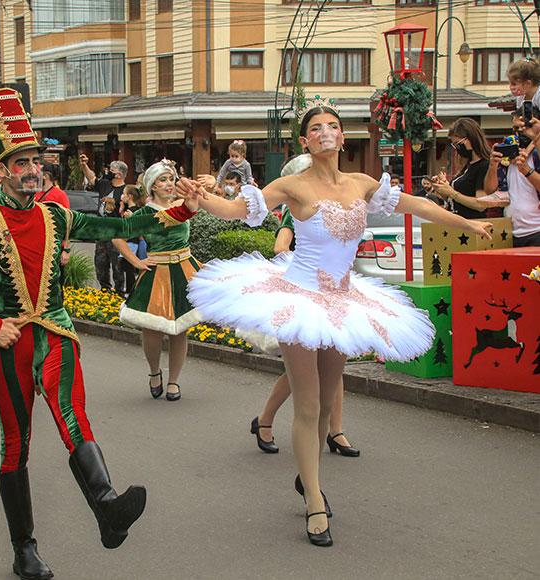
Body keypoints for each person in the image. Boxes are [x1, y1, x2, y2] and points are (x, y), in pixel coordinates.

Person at [180, 100, 493, 547]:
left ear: (343, 137)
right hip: (300, 298)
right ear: (306, 141)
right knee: (308, 406)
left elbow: (418, 204)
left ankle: (307, 475)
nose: (326, 131)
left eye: (333, 125)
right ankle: (313, 499)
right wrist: (201, 199)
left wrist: (465, 220)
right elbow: (236, 210)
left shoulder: (363, 184)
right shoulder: (292, 185)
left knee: (327, 405)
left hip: (344, 302)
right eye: (316, 127)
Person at [0, 87, 198, 579]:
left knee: (73, 416)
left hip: (56, 333)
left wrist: (183, 209)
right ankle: (24, 550)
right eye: (21, 162)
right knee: (17, 443)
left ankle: (107, 507)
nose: (33, 170)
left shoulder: (56, 214)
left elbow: (123, 223)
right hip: (9, 344)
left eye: (37, 160)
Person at [240, 155, 359, 457]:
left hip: (338, 295)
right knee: (305, 374)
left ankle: (334, 429)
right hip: (306, 297)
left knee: (332, 366)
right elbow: (281, 246)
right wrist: (306, 271)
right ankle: (267, 419)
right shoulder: (297, 210)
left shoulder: (343, 200)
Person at [112, 160, 202, 402]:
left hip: (185, 269)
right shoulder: (143, 214)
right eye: (162, 180)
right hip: (157, 272)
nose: (168, 184)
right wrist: (136, 261)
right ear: (152, 186)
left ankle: (174, 380)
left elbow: (208, 196)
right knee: (152, 330)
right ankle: (154, 372)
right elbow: (117, 236)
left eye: (170, 179)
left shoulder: (183, 206)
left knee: (180, 330)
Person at [478, 106, 540, 247]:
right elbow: (490, 190)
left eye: (523, 127)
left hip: (537, 231)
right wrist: (493, 166)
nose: (520, 132)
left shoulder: (536, 155)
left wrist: (526, 170)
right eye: (515, 129)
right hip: (512, 231)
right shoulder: (511, 155)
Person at [428, 118, 492, 220]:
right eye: (454, 145)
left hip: (472, 224)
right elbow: (456, 200)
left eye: (458, 144)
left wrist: (452, 193)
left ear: (471, 138)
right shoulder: (467, 166)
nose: (457, 148)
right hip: (458, 222)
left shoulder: (484, 166)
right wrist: (443, 189)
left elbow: (481, 205)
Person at [80, 154, 127, 291]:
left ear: (118, 174)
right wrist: (84, 165)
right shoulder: (105, 184)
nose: (108, 172)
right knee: (100, 264)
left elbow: (131, 210)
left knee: (117, 265)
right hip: (101, 232)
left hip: (116, 233)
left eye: (111, 170)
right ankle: (105, 290)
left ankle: (119, 293)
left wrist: (114, 203)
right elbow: (91, 178)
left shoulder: (126, 190)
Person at [116, 184, 148, 296]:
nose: (122, 196)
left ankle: (130, 290)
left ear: (129, 196)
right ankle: (131, 288)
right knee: (126, 265)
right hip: (129, 241)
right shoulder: (127, 210)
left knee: (127, 265)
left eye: (124, 194)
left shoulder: (135, 211)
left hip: (132, 242)